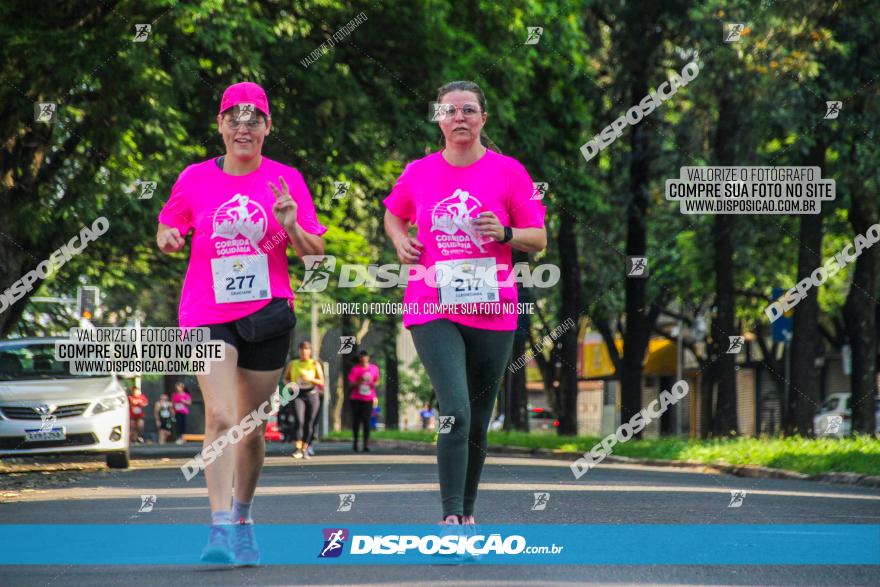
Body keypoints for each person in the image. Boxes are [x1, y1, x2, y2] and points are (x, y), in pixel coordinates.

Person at [156, 81, 326, 566]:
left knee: (251, 427)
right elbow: (169, 225)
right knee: (221, 416)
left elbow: (316, 255)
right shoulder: (194, 178)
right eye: (234, 117)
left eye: (254, 119)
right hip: (206, 314)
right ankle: (219, 527)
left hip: (266, 312)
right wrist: (168, 235)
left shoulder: (287, 178)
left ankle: (245, 516)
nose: (243, 126)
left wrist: (291, 225)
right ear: (221, 125)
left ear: (268, 128)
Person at [383, 80, 547, 528]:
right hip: (432, 302)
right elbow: (394, 212)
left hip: (492, 309)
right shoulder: (418, 172)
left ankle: (468, 511)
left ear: (482, 119)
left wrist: (507, 234)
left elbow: (540, 238)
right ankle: (451, 515)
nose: (459, 117)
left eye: (469, 110)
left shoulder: (511, 173)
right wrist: (400, 240)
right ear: (438, 118)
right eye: (450, 110)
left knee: (477, 419)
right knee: (455, 409)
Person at [282, 341, 324, 459]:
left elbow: (321, 382)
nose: (304, 353)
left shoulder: (315, 364)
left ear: (310, 352)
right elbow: (285, 379)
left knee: (309, 422)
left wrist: (311, 379)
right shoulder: (293, 364)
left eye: (306, 351)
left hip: (312, 394)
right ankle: (298, 448)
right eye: (302, 351)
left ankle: (306, 448)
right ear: (299, 351)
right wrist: (291, 384)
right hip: (298, 394)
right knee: (299, 420)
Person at [347, 350, 379, 452]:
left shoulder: (374, 368)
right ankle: (355, 442)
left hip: (368, 398)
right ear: (360, 358)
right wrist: (360, 380)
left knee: (366, 421)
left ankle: (365, 444)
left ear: (368, 358)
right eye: (362, 356)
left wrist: (374, 384)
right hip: (356, 398)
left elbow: (377, 380)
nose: (363, 358)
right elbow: (351, 384)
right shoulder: (355, 369)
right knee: (356, 421)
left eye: (365, 356)